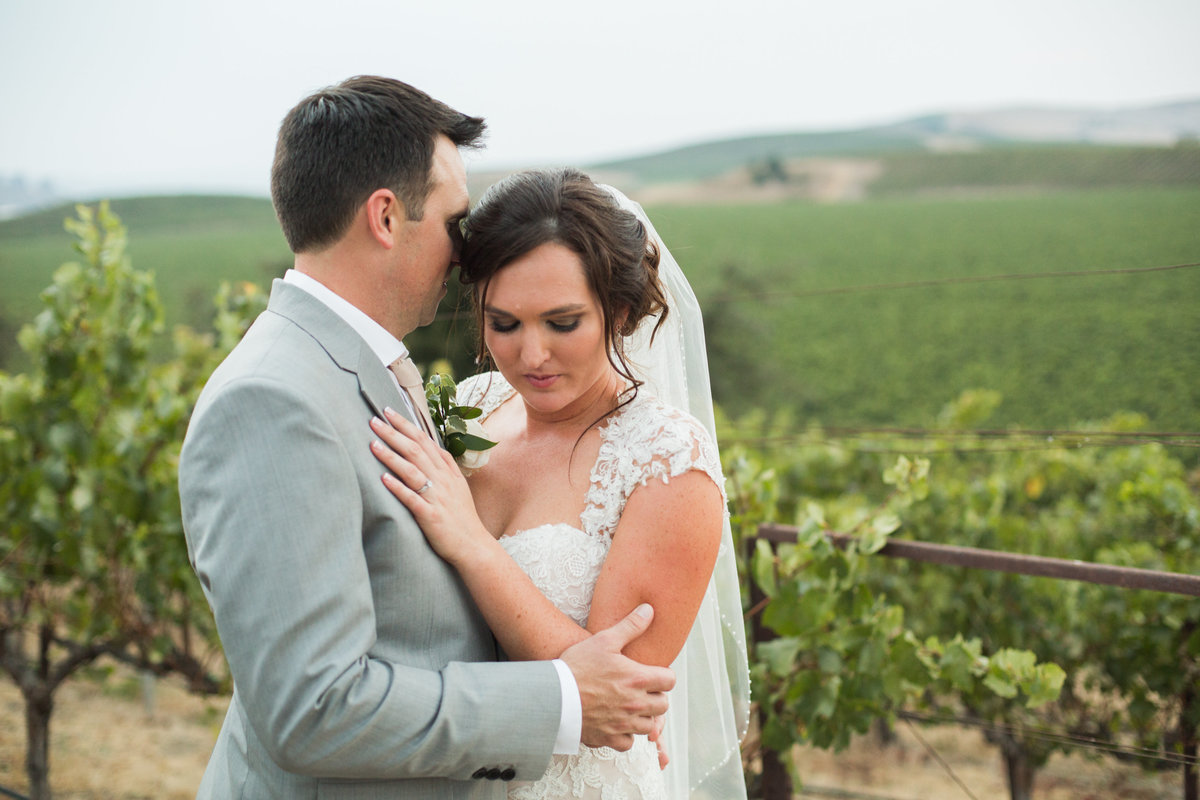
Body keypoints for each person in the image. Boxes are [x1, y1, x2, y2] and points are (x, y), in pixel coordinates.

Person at [178, 77, 676, 799]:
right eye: (452, 220)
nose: (462, 252)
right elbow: (312, 709)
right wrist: (563, 702)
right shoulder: (273, 400)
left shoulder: (361, 366)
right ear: (385, 217)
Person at [368, 168, 750, 799]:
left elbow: (615, 702)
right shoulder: (472, 405)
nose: (531, 355)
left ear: (618, 311)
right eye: (505, 323)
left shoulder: (667, 462)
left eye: (563, 322)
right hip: (447, 766)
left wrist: (471, 541)